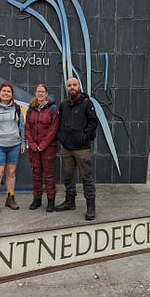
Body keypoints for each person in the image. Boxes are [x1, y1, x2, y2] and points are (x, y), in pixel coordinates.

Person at [55, 77, 99, 220]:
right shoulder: (63, 104)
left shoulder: (87, 103)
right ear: (66, 88)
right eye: (69, 85)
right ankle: (70, 202)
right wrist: (61, 136)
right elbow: (60, 122)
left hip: (81, 148)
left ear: (79, 86)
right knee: (68, 176)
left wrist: (84, 136)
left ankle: (91, 207)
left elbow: (93, 121)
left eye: (74, 85)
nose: (72, 87)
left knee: (87, 177)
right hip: (67, 147)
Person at [0, 82, 26, 214]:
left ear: (12, 94)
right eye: (4, 91)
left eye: (8, 91)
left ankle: (10, 198)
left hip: (14, 145)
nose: (6, 93)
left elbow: (22, 127)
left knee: (11, 173)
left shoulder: (18, 108)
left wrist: (23, 143)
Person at [24, 84, 59, 212]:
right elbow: (27, 128)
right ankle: (37, 199)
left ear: (46, 93)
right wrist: (32, 144)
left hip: (48, 147)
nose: (40, 94)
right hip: (34, 148)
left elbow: (53, 129)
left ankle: (51, 200)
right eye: (38, 91)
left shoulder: (53, 109)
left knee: (49, 174)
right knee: (36, 174)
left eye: (42, 91)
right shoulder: (31, 109)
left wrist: (43, 144)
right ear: (35, 93)